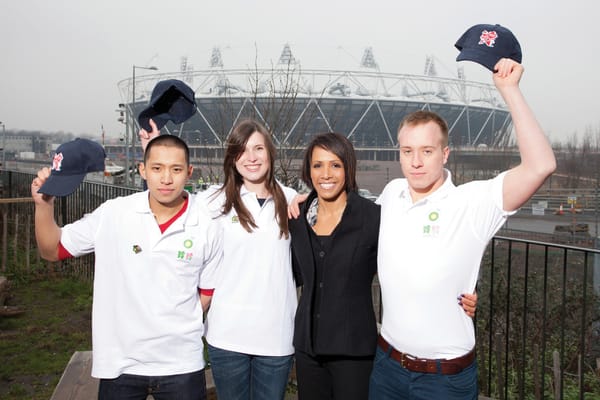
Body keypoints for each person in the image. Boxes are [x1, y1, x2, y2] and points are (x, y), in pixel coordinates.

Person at [369, 59, 556, 399]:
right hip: (387, 368)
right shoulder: (391, 193)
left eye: (427, 151)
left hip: (444, 379)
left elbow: (541, 165)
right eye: (407, 151)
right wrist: (304, 199)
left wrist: (509, 91)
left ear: (445, 154)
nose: (415, 161)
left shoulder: (472, 202)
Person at [32, 134, 223, 400]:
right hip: (120, 363)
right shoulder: (113, 214)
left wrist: (167, 319)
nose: (166, 178)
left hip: (181, 363)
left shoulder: (207, 225)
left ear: (189, 172)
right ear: (143, 170)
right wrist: (44, 206)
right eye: (157, 168)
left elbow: (206, 294)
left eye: (176, 169)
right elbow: (52, 250)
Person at [288, 133, 478, 400]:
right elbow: (289, 273)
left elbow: (419, 257)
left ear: (348, 168)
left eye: (335, 164)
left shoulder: (373, 217)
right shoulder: (297, 218)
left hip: (353, 352)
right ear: (309, 170)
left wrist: (463, 289)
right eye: (317, 165)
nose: (326, 173)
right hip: (308, 351)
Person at [140, 118, 298, 400]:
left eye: (258, 149)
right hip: (227, 336)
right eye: (242, 150)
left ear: (270, 153)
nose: (251, 158)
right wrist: (155, 149)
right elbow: (166, 200)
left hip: (277, 337)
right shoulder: (212, 201)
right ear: (232, 158)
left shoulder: (292, 200)